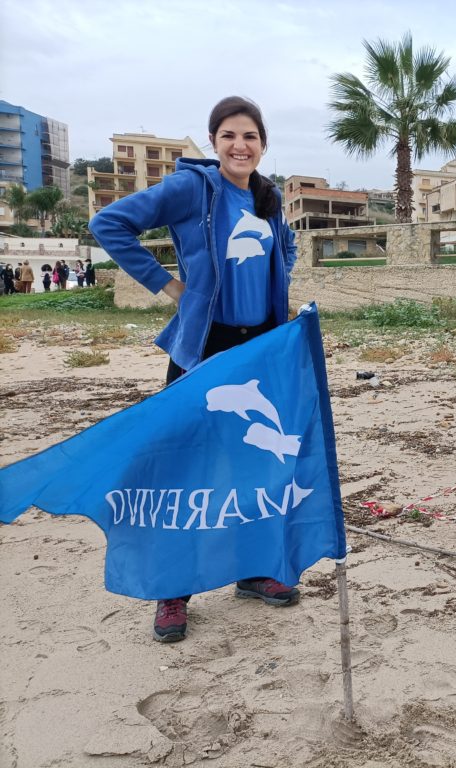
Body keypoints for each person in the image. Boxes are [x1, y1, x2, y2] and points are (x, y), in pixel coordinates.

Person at [89, 96, 299, 644]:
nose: (240, 145)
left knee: (252, 461)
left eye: (250, 136)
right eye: (229, 135)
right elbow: (109, 223)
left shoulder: (268, 195)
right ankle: (173, 589)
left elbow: (287, 246)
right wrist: (169, 285)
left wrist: (279, 286)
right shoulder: (192, 188)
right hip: (205, 345)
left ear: (263, 143)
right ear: (213, 141)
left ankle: (252, 570)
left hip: (259, 347)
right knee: (185, 468)